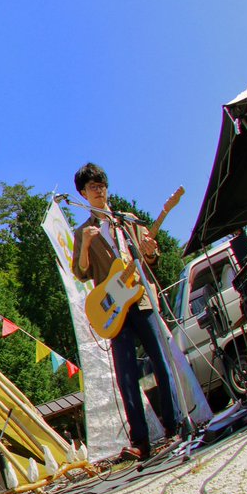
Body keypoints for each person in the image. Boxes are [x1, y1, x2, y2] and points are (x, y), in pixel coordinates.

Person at [70, 162, 178, 461]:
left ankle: (173, 426)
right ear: (82, 193)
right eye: (92, 187)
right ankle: (140, 441)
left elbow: (152, 257)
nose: (99, 191)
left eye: (101, 185)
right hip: (114, 310)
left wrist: (151, 249)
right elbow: (81, 273)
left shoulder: (125, 221)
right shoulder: (83, 232)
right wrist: (85, 245)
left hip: (140, 299)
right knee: (126, 374)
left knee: (160, 361)